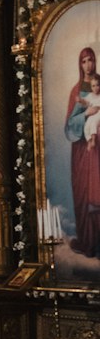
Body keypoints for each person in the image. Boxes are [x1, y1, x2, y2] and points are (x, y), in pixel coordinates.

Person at [64, 46, 100, 258]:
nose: (88, 65)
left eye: (91, 60)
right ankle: (88, 241)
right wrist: (86, 113)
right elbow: (69, 126)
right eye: (84, 61)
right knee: (84, 193)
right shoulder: (76, 91)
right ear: (80, 64)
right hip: (82, 149)